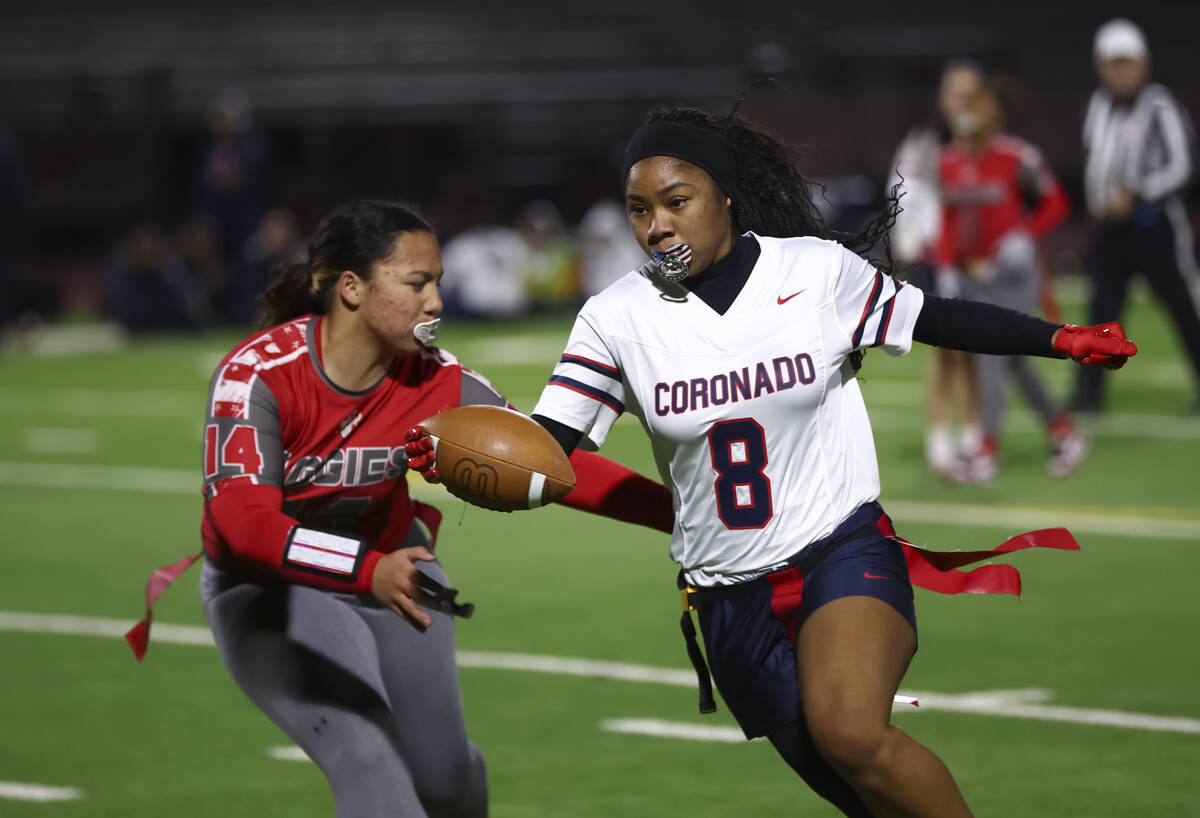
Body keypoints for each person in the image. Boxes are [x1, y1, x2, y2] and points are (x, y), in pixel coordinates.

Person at [427, 108, 1135, 817]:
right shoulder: (616, 318)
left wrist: (1061, 338)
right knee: (864, 797)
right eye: (639, 211)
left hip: (841, 550)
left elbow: (937, 317)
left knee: (852, 734)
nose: (657, 226)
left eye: (677, 202)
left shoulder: (816, 273)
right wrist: (450, 455)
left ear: (726, 196)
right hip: (727, 599)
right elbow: (552, 452)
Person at [142, 198, 675, 818]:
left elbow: (551, 462)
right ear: (352, 288)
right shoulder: (259, 374)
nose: (437, 303)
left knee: (446, 781)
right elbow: (245, 527)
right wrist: (367, 570)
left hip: (395, 571)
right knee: (370, 762)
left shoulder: (438, 379)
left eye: (438, 284)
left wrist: (680, 513)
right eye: (417, 283)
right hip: (272, 590)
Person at [937, 77, 1085, 479]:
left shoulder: (1017, 155)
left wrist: (1025, 234)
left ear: (995, 111)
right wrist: (947, 266)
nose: (968, 111)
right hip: (974, 275)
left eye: (978, 103)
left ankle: (986, 452)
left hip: (1016, 274)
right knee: (1016, 357)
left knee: (993, 354)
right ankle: (1063, 431)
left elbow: (1056, 202)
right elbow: (948, 219)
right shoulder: (947, 160)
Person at [1073, 18, 1200, 414]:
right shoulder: (1097, 105)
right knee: (1100, 314)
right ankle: (1088, 396)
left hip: (1154, 225)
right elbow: (1094, 162)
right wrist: (1100, 203)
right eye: (1113, 63)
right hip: (1111, 231)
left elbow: (1183, 166)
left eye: (1127, 62)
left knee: (1184, 307)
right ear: (1101, 66)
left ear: (1143, 64)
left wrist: (1139, 193)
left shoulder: (1160, 106)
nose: (1121, 71)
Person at [889, 60, 985, 479]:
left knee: (980, 347)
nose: (961, 101)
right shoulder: (924, 142)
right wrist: (908, 243)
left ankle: (976, 434)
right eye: (954, 92)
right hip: (935, 258)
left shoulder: (989, 143)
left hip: (980, 259)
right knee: (945, 348)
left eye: (970, 92)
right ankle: (941, 437)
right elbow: (902, 190)